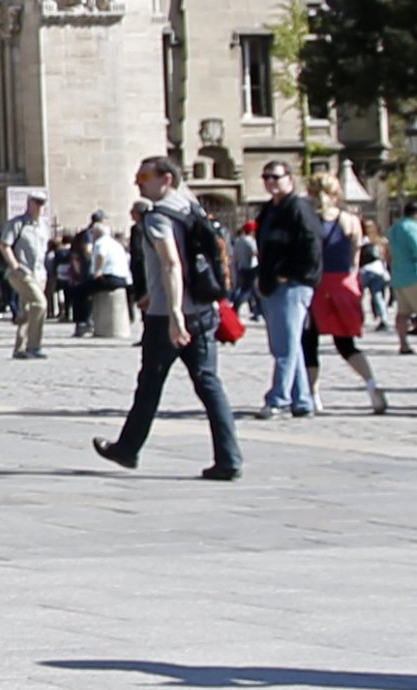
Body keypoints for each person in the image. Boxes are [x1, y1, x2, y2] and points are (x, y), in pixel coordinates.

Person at [94, 157, 244, 478]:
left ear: (166, 179)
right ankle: (229, 458)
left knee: (150, 383)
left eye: (144, 176)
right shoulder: (192, 208)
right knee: (208, 383)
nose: (138, 183)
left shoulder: (158, 218)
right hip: (203, 311)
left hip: (169, 316)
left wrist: (175, 312)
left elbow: (172, 264)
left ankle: (128, 448)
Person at [304, 171, 388, 414]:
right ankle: (371, 384)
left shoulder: (309, 220)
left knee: (309, 341)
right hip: (344, 283)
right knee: (346, 343)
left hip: (317, 284)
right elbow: (354, 258)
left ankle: (313, 395)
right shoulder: (351, 220)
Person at [251, 161, 321, 419]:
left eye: (276, 177)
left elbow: (312, 246)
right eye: (266, 177)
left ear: (289, 179)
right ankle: (302, 400)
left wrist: (290, 274)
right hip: (272, 283)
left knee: (285, 346)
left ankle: (278, 398)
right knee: (287, 345)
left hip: (293, 284)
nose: (271, 182)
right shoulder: (269, 210)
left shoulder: (298, 208)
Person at [3, 194, 50, 358]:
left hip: (39, 273)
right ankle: (34, 346)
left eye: (42, 204)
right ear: (29, 204)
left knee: (29, 309)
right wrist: (14, 265)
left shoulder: (43, 226)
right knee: (40, 303)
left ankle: (20, 348)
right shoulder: (18, 224)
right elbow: (4, 245)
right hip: (22, 272)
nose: (40, 207)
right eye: (37, 203)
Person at [84, 211, 133, 348]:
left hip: (110, 278)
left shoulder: (100, 242)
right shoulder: (115, 243)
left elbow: (101, 256)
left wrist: (98, 271)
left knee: (79, 291)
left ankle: (83, 321)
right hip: (123, 278)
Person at [390, 198, 417, 356]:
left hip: (399, 275)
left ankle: (403, 344)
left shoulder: (395, 228)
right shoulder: (412, 228)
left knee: (402, 313)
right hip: (414, 274)